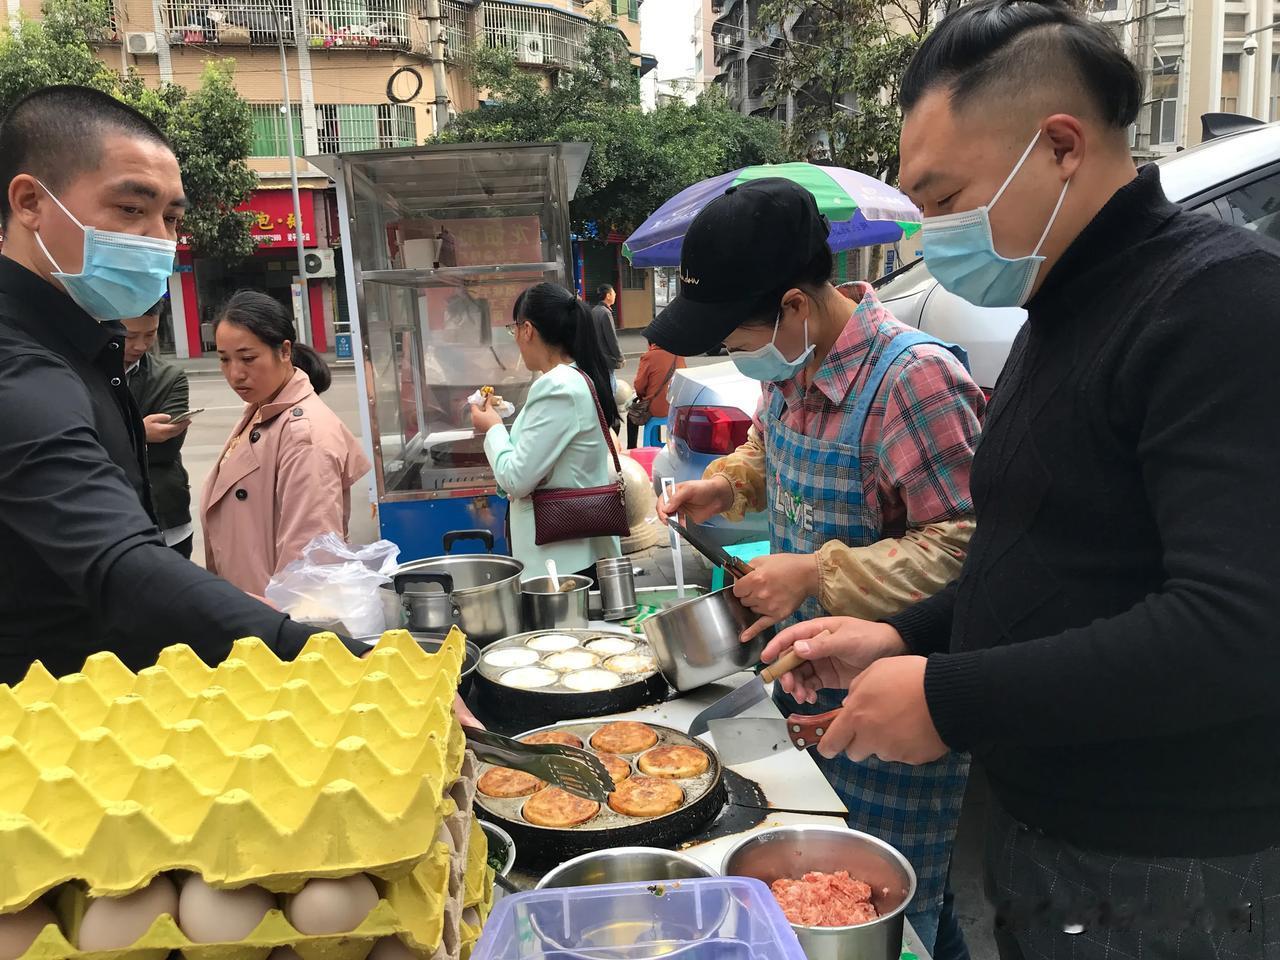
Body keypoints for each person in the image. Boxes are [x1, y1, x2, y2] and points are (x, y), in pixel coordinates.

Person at [762, 2, 1280, 958]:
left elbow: (1236, 628)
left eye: (947, 194)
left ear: (1059, 147)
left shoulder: (1219, 303)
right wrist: (902, 634)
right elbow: (1033, 556)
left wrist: (949, 699)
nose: (936, 228)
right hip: (1048, 839)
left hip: (1174, 870)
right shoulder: (1060, 314)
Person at [648, 179, 984, 955]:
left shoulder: (913, 379)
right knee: (823, 902)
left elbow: (971, 547)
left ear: (793, 306)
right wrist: (725, 482)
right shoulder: (790, 367)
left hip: (897, 707)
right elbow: (770, 448)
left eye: (735, 339)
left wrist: (815, 574)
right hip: (803, 682)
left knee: (896, 908)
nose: (738, 357)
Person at [0, 84, 357, 682]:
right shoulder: (19, 364)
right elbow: (118, 563)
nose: (161, 241)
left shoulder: (85, 345)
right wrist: (333, 661)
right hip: (42, 733)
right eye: (131, 209)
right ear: (31, 202)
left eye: (171, 217)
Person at [202, 290, 371, 596]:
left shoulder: (303, 435)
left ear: (284, 351)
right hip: (247, 602)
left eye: (248, 358)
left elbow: (309, 561)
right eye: (224, 360)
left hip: (273, 620)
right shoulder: (262, 408)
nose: (235, 374)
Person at [471, 282, 623, 580]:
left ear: (527, 329)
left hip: (561, 565)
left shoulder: (557, 386)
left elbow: (516, 479)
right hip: (572, 556)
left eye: (514, 329)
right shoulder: (573, 377)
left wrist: (492, 428)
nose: (515, 337)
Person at [124, 299, 195, 558]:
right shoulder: (85, 372)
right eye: (130, 336)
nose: (140, 346)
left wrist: (113, 437)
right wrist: (140, 432)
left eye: (150, 335)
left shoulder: (170, 376)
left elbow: (165, 450)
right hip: (112, 515)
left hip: (167, 516)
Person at [626, 336, 684, 448]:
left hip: (657, 409)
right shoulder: (679, 355)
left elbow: (639, 386)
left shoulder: (649, 356)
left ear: (651, 343)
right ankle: (656, 441)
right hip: (676, 407)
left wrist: (642, 397)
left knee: (631, 416)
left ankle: (631, 448)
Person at [591, 283, 623, 382]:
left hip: (597, 356)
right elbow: (611, 338)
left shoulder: (594, 310)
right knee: (611, 384)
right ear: (608, 295)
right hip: (606, 357)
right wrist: (619, 357)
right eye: (613, 293)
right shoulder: (606, 313)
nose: (615, 295)